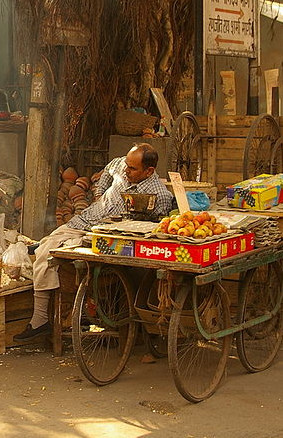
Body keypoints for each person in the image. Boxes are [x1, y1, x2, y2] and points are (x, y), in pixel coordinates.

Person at [14, 143, 173, 342]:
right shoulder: (120, 166)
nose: (126, 170)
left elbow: (155, 226)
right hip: (83, 221)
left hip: (107, 236)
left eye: (133, 168)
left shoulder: (159, 195)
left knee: (53, 252)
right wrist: (99, 194)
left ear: (149, 171)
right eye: (127, 164)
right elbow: (108, 170)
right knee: (45, 250)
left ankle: (50, 317)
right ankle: (41, 319)